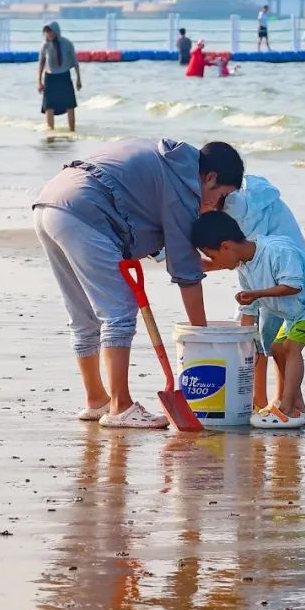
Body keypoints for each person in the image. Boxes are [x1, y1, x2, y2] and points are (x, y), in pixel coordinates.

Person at [32, 138, 245, 429]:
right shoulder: (184, 186)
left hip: (50, 205)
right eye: (222, 196)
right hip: (87, 210)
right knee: (119, 312)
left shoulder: (168, 161)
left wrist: (201, 263)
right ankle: (121, 406)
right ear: (210, 178)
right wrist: (202, 340)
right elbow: (186, 275)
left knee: (84, 315)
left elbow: (153, 228)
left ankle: (97, 400)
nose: (217, 205)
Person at [192, 210, 305, 431]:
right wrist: (244, 346)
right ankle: (298, 407)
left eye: (213, 257)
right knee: (275, 347)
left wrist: (257, 294)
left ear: (226, 246)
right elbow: (249, 308)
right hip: (298, 312)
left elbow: (293, 285)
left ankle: (287, 408)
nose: (215, 264)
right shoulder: (244, 267)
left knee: (292, 348)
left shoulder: (276, 251)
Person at [221, 173, 305, 414]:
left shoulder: (244, 213)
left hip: (287, 274)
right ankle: (260, 399)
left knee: (273, 339)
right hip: (270, 270)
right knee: (259, 336)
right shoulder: (234, 202)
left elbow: (247, 254)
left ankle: (280, 400)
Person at [38, 22, 82, 132]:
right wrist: (39, 82)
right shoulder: (45, 45)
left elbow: (75, 62)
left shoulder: (67, 43)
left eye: (50, 31)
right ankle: (50, 131)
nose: (49, 34)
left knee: (70, 104)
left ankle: (72, 130)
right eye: (46, 32)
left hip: (64, 76)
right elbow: (41, 64)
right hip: (50, 77)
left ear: (56, 31)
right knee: (49, 106)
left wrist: (78, 79)